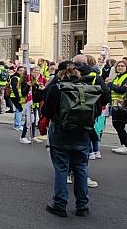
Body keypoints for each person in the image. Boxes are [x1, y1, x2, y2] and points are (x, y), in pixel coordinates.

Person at [41, 62, 102, 217]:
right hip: (83, 133)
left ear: (61, 74)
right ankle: (82, 205)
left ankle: (59, 204)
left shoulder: (57, 88)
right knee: (81, 169)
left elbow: (46, 111)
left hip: (61, 132)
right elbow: (98, 110)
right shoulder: (89, 89)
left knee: (61, 168)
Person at [107, 59, 127, 154]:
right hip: (116, 104)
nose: (120, 67)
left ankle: (126, 145)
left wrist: (110, 84)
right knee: (118, 124)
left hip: (123, 105)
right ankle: (124, 144)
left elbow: (122, 90)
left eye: (122, 66)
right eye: (118, 66)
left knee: (118, 124)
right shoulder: (117, 77)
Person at [9, 66, 26, 130]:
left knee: (19, 110)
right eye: (20, 70)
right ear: (17, 71)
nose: (22, 72)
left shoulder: (20, 78)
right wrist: (18, 98)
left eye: (23, 71)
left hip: (18, 96)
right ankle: (17, 125)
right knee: (19, 109)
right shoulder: (15, 78)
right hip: (15, 96)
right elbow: (14, 89)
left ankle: (17, 124)